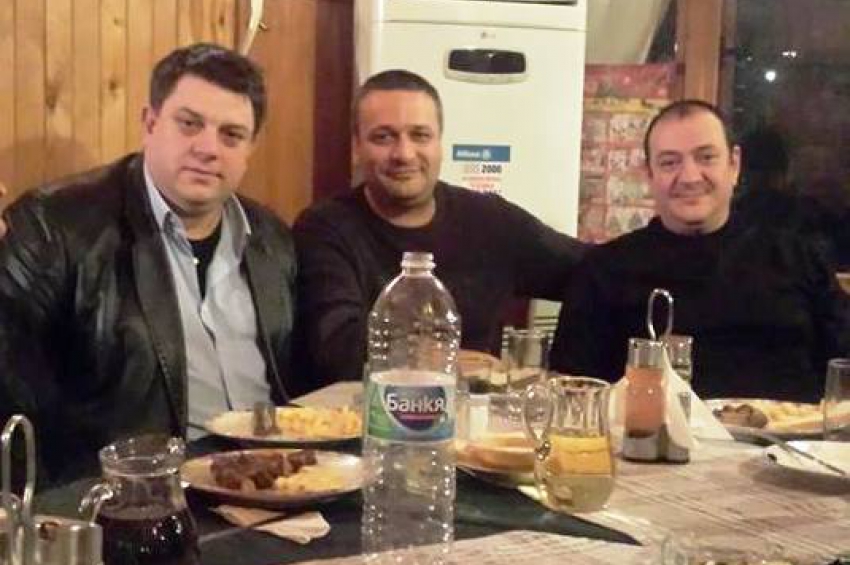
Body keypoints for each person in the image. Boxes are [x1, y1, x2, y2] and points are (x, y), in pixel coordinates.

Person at [0, 43, 296, 485]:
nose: (208, 148)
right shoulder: (53, 228)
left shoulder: (271, 238)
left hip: (277, 484)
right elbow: (11, 394)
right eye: (189, 124)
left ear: (250, 147)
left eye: (231, 135)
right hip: (134, 496)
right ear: (150, 123)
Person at [293, 69, 586, 389]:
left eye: (420, 135)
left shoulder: (489, 218)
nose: (404, 154)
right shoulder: (324, 228)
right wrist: (444, 361)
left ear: (440, 144)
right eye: (383, 137)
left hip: (481, 414)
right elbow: (336, 348)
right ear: (356, 147)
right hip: (366, 414)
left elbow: (596, 270)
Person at [550, 99, 849, 402]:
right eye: (670, 162)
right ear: (649, 175)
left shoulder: (800, 259)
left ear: (734, 165)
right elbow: (573, 394)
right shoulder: (604, 271)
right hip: (650, 433)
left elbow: (844, 371)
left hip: (796, 431)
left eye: (706, 157)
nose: (690, 177)